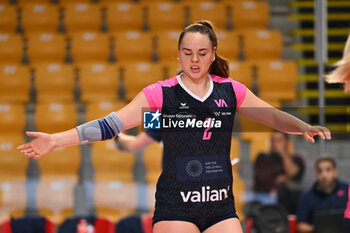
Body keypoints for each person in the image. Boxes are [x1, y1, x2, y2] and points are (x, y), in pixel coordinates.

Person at [17, 21, 331, 233]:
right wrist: (56, 140)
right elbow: (111, 124)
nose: (194, 60)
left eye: (202, 53)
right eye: (187, 53)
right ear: (178, 54)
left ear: (212, 56)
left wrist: (302, 126)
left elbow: (273, 116)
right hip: (176, 207)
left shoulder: (231, 90)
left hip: (221, 206)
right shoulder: (160, 93)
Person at [253, 130, 305, 214]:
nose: (276, 144)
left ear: (287, 142)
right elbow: (262, 178)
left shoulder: (296, 159)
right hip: (265, 197)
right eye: (273, 140)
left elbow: (294, 174)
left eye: (279, 140)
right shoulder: (262, 158)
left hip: (289, 198)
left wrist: (283, 153)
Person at [297, 156, 348, 233]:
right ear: (316, 174)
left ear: (335, 172)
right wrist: (322, 228)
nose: (324, 175)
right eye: (320, 171)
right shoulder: (307, 197)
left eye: (328, 170)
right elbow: (300, 226)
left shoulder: (347, 190)